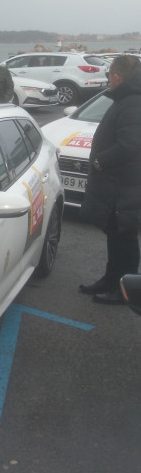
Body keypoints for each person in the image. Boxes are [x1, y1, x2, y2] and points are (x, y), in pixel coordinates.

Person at [79, 55, 141, 304]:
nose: (108, 79)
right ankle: (111, 279)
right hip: (119, 186)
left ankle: (124, 291)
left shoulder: (133, 102)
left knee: (124, 240)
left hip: (124, 187)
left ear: (117, 76)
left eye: (109, 75)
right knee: (115, 237)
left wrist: (100, 161)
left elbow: (131, 145)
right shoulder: (127, 100)